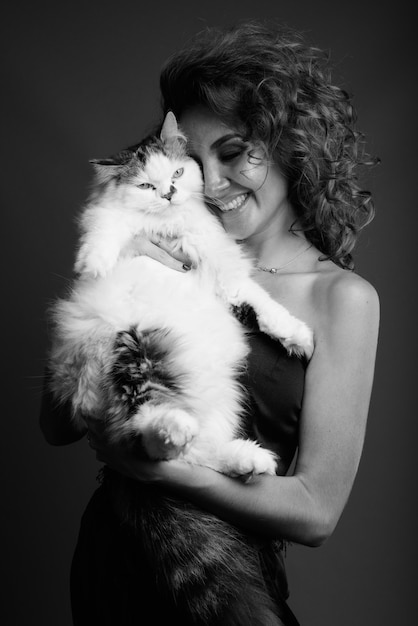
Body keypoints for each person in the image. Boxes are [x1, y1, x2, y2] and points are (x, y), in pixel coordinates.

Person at [39, 21, 380, 625]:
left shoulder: (341, 299)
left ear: (288, 143)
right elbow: (57, 424)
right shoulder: (165, 252)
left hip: (225, 579)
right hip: (113, 561)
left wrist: (161, 470)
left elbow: (316, 512)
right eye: (195, 161)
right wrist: (112, 278)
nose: (213, 184)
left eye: (233, 152)